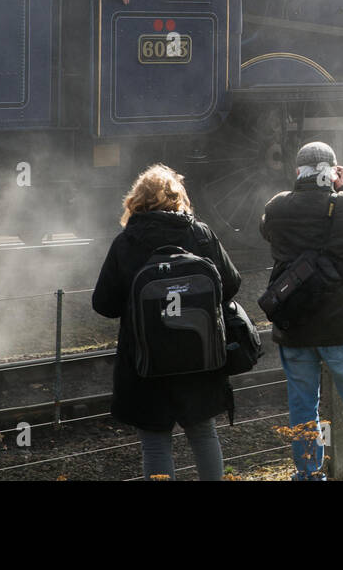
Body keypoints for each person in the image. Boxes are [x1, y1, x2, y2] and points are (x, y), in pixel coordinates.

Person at [92, 164, 240, 480]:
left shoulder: (125, 242)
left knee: (156, 444)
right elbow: (231, 284)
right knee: (203, 434)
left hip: (146, 362)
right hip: (200, 356)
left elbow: (103, 304)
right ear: (178, 199)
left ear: (137, 201)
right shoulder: (200, 233)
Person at [260, 142, 343, 480]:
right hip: (342, 326)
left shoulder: (276, 207)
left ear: (297, 173)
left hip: (296, 325)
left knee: (303, 405)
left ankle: (308, 474)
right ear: (333, 172)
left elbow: (267, 233)